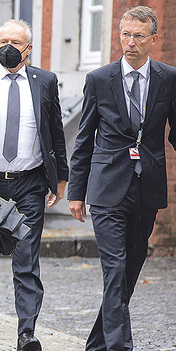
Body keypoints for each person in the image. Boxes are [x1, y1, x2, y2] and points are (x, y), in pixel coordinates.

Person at [68, 6, 176, 351]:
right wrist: (76, 191)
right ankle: (118, 346)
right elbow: (84, 138)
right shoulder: (99, 79)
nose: (130, 42)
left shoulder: (168, 78)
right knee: (114, 269)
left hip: (147, 187)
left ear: (154, 40)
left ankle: (97, 343)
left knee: (128, 272)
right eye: (125, 35)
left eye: (138, 36)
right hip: (106, 187)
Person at [0, 19, 68, 351]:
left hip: (29, 184)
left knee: (27, 260)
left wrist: (60, 177)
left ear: (28, 48)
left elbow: (55, 131)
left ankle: (27, 332)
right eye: (2, 40)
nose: (7, 46)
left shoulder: (45, 82)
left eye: (15, 41)